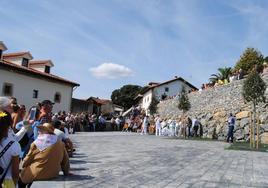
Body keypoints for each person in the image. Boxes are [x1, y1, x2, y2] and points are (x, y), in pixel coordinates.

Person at [18, 123, 70, 187]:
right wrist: (66, 172)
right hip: (53, 173)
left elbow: (27, 160)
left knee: (20, 179)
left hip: (37, 173)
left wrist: (23, 165)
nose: (38, 131)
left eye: (41, 129)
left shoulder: (36, 143)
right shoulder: (60, 143)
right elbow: (65, 161)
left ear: (46, 131)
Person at [0, 111, 20, 188]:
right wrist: (14, 185)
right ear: (10, 124)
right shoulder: (14, 145)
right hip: (7, 182)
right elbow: (15, 173)